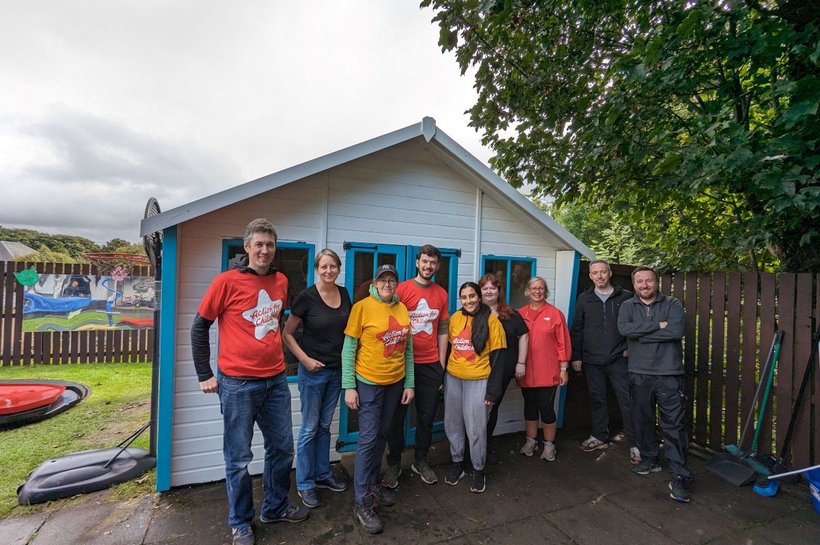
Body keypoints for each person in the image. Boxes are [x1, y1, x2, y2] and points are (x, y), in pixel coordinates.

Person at [190, 218, 308, 545]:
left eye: (269, 245)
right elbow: (199, 328)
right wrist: (204, 374)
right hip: (237, 385)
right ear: (247, 247)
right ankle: (240, 521)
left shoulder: (281, 281)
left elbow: (275, 323)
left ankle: (275, 505)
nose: (264, 250)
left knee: (282, 448)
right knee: (239, 458)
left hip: (275, 382)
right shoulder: (225, 282)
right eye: (258, 244)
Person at [342, 263, 414, 534]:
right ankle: (362, 501)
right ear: (375, 282)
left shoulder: (402, 309)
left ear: (397, 284)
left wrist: (410, 382)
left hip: (395, 383)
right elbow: (349, 348)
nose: (387, 284)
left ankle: (372, 485)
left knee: (382, 434)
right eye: (382, 280)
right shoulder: (361, 307)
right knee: (368, 439)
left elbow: (408, 350)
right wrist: (349, 385)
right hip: (369, 383)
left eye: (391, 280)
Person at [618, 266, 693, 503]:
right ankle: (650, 459)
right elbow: (624, 329)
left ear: (656, 282)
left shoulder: (672, 304)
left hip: (669, 374)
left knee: (674, 424)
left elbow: (676, 331)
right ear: (634, 285)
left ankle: (679, 475)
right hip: (639, 373)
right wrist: (658, 326)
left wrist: (640, 336)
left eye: (648, 281)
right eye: (639, 282)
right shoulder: (628, 306)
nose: (644, 285)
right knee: (642, 419)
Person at [283, 249, 351, 510]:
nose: (328, 271)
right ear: (316, 269)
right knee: (310, 428)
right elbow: (288, 334)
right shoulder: (306, 297)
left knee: (324, 426)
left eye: (333, 266)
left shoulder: (344, 294)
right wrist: (305, 360)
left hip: (336, 371)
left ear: (338, 268)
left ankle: (323, 474)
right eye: (324, 266)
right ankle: (305, 483)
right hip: (312, 373)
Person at [383, 245, 449, 488]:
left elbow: (443, 329)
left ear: (437, 266)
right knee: (395, 417)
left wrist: (441, 362)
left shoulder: (441, 294)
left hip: (430, 364)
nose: (428, 266)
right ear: (417, 263)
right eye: (424, 261)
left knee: (427, 416)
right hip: (401, 364)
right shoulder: (402, 290)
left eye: (432, 262)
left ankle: (421, 460)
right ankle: (393, 464)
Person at [570, 260, 640, 464]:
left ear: (610, 273)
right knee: (597, 398)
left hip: (619, 358)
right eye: (595, 273)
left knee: (627, 400)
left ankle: (636, 443)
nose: (599, 276)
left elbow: (635, 326)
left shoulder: (626, 297)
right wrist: (577, 356)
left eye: (602, 272)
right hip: (592, 360)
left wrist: (630, 348)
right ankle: (600, 436)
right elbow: (578, 329)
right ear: (590, 276)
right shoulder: (584, 298)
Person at [443, 282, 506, 494]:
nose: (468, 300)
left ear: (479, 297)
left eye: (472, 296)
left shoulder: (492, 321)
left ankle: (478, 469)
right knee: (453, 424)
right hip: (454, 378)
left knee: (476, 427)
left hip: (479, 381)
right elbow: (451, 347)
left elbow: (499, 359)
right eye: (464, 297)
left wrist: (492, 392)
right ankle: (457, 463)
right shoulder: (455, 318)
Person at [517, 277, 571, 462]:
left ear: (545, 291)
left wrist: (564, 368)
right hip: (525, 371)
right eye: (534, 288)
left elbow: (563, 343)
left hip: (548, 371)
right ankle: (531, 441)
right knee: (529, 407)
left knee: (546, 408)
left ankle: (549, 445)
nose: (537, 291)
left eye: (541, 288)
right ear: (528, 291)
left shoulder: (555, 314)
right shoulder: (520, 313)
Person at [478, 274, 529, 447]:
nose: (489, 291)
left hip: (503, 370)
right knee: (477, 409)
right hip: (478, 369)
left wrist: (521, 362)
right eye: (485, 288)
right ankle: (473, 448)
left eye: (493, 288)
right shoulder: (475, 312)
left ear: (499, 290)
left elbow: (524, 335)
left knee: (492, 408)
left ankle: (486, 446)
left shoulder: (510, 314)